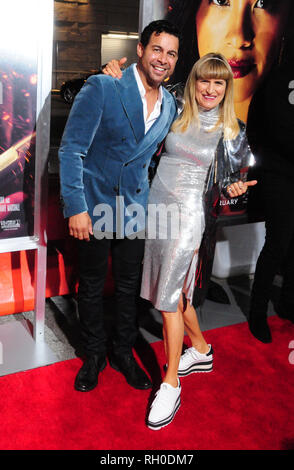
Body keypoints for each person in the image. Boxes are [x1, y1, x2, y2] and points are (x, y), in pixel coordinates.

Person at [58, 20, 180, 392]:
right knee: (92, 285)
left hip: (135, 210)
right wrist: (75, 206)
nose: (163, 59)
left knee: (129, 288)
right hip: (94, 206)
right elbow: (71, 150)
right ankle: (94, 354)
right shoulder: (104, 86)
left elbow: (154, 159)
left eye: (171, 53)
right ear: (140, 50)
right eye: (157, 49)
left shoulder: (171, 105)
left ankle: (123, 352)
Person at [139, 53, 256, 430]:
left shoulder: (232, 130)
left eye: (219, 83)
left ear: (227, 88)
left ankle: (170, 382)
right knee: (175, 292)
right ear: (194, 82)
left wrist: (233, 187)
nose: (210, 89)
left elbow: (231, 185)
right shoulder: (175, 108)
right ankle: (202, 351)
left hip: (187, 218)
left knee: (169, 301)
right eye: (205, 80)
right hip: (157, 210)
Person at [165, 0, 293, 123]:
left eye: (262, 3)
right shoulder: (162, 113)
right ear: (194, 10)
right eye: (221, 1)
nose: (238, 39)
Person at [248, 58, 294, 342]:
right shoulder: (280, 75)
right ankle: (256, 313)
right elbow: (269, 125)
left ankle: (288, 303)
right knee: (277, 243)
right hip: (279, 173)